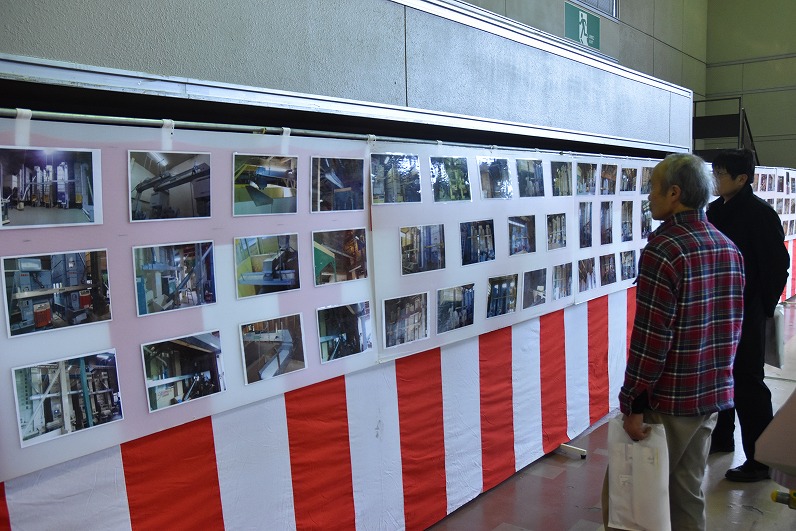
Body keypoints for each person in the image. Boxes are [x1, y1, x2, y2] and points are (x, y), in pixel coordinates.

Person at [607, 153, 745, 530]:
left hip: (668, 401)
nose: (648, 196)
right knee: (687, 493)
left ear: (674, 193)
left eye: (652, 187)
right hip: (710, 395)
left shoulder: (664, 250)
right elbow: (733, 326)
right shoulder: (727, 247)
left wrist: (634, 402)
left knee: (632, 500)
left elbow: (651, 339)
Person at [707, 148, 790, 482]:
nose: (715, 179)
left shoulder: (760, 214)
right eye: (714, 172)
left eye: (720, 174)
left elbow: (777, 266)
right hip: (718, 309)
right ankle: (722, 437)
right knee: (722, 376)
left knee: (748, 383)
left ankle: (759, 459)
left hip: (747, 310)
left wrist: (762, 308)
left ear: (741, 179)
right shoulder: (714, 210)